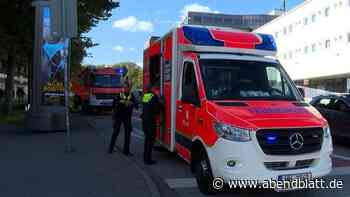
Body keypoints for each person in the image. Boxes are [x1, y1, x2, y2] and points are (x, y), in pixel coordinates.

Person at [108, 84, 137, 155]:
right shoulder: (120, 94)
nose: (127, 89)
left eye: (128, 88)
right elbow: (114, 103)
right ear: (123, 88)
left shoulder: (131, 95)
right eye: (126, 87)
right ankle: (110, 148)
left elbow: (136, 105)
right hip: (119, 116)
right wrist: (120, 102)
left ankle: (126, 151)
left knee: (128, 134)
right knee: (116, 132)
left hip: (127, 117)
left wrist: (131, 103)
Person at [141, 84, 162, 165]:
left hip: (144, 121)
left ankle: (145, 157)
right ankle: (148, 160)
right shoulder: (153, 96)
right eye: (154, 88)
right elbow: (156, 110)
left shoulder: (145, 96)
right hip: (150, 121)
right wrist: (160, 103)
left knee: (147, 140)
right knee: (150, 140)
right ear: (152, 89)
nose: (155, 89)